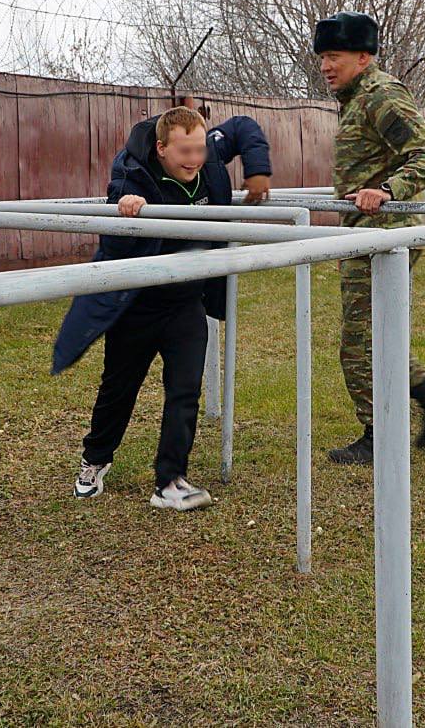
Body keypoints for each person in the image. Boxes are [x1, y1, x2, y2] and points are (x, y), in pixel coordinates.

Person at [50, 106, 273, 509]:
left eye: (200, 150)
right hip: (138, 302)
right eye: (184, 152)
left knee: (185, 391)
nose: (194, 160)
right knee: (119, 389)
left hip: (186, 300)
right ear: (161, 148)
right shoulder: (132, 177)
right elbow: (114, 248)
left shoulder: (209, 155)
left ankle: (170, 481)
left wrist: (258, 170)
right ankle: (95, 459)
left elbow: (243, 127)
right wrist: (126, 214)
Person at [313, 10, 425, 465]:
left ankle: (380, 434)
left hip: (385, 233)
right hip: (369, 233)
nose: (325, 66)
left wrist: (387, 191)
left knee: (359, 343)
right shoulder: (358, 99)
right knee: (380, 332)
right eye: (322, 56)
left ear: (363, 57)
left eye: (334, 56)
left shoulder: (380, 95)